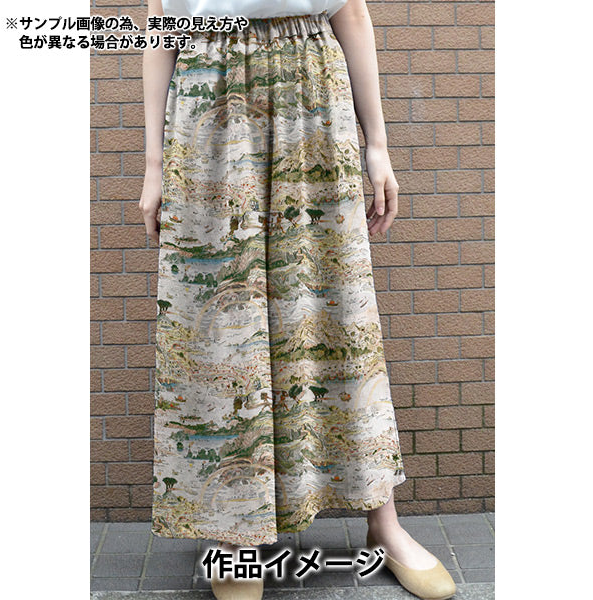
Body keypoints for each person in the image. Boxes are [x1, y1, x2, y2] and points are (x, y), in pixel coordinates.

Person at [138, 1, 456, 599]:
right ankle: (236, 536)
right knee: (216, 321)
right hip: (208, 95)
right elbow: (160, 24)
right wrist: (153, 164)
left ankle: (383, 521)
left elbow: (351, 12)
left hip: (312, 88)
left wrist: (378, 143)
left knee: (337, 302)